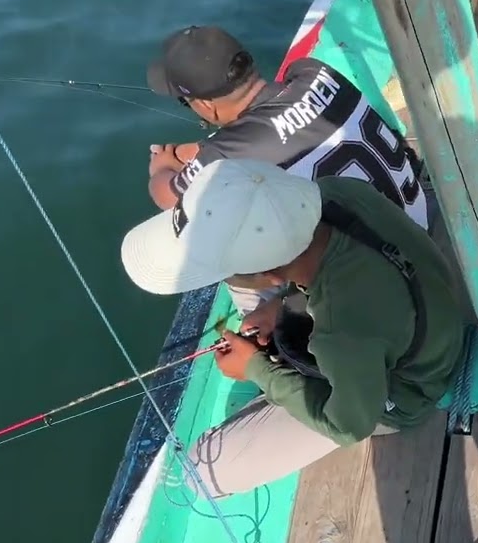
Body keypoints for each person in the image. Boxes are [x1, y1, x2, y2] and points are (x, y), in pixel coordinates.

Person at [120, 157, 466, 497]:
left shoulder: (341, 334)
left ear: (270, 275)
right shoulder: (336, 192)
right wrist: (280, 303)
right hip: (423, 305)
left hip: (410, 390)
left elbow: (348, 426)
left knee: (202, 470)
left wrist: (258, 370)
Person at [141, 24, 430, 322]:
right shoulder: (313, 72)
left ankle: (272, 324)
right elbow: (266, 129)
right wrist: (200, 152)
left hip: (391, 270)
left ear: (203, 105)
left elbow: (169, 198)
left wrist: (162, 164)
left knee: (233, 264)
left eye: (184, 102)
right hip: (416, 218)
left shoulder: (229, 154)